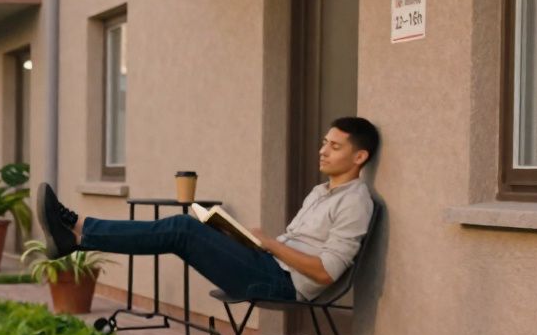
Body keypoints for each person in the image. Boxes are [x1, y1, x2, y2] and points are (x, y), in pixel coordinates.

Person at [38, 117, 380, 302]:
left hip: (282, 282)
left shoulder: (355, 202)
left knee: (181, 228)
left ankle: (77, 229)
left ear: (359, 157)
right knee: (192, 225)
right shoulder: (321, 192)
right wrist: (240, 237)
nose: (323, 151)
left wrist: (271, 243)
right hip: (266, 264)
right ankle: (77, 234)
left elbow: (326, 274)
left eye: (334, 147)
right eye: (324, 142)